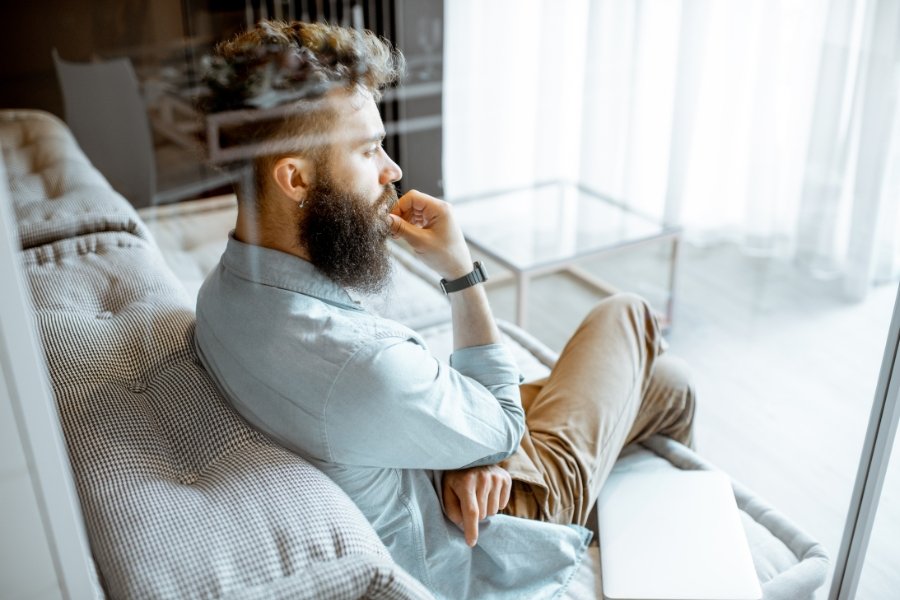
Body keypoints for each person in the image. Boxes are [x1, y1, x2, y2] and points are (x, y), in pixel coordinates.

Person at [195, 20, 696, 599]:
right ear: (295, 177)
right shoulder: (363, 368)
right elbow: (502, 429)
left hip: (420, 452)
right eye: (367, 149)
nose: (393, 170)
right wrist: (460, 270)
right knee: (628, 314)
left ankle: (650, 520)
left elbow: (410, 410)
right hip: (484, 528)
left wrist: (459, 450)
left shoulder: (224, 291)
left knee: (667, 381)